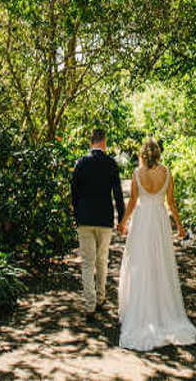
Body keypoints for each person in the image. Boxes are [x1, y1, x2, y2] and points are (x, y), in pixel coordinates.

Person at [116, 137, 196, 351]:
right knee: (161, 263)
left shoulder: (137, 174)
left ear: (142, 154)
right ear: (158, 154)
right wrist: (180, 227)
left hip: (143, 221)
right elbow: (171, 202)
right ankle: (166, 314)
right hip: (160, 222)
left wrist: (123, 223)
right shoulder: (167, 173)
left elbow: (133, 202)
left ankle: (143, 312)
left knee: (140, 264)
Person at [70, 128, 125, 318]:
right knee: (102, 260)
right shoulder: (110, 163)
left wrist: (77, 214)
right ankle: (101, 298)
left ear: (91, 142)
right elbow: (117, 194)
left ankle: (90, 304)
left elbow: (74, 192)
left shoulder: (81, 163)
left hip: (85, 219)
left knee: (87, 262)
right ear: (104, 142)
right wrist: (122, 219)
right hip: (104, 219)